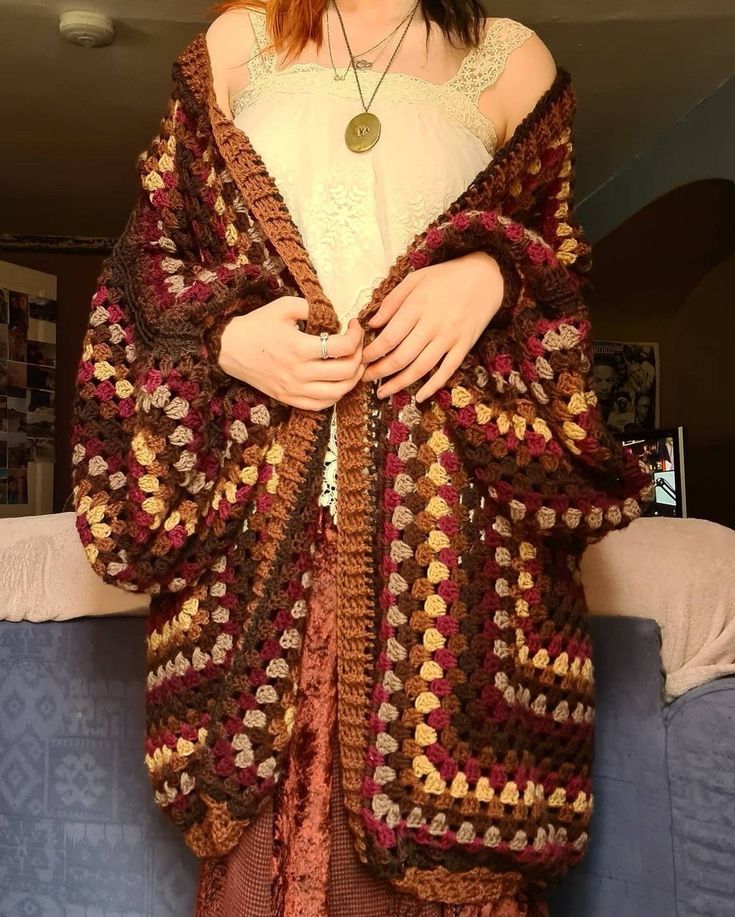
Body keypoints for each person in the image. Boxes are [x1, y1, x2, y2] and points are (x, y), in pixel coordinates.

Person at [192, 1, 557, 915]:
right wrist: (221, 337)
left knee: (442, 851)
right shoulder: (238, 44)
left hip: (450, 541)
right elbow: (154, 265)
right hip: (264, 528)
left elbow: (563, 276)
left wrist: (495, 276)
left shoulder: (508, 59)